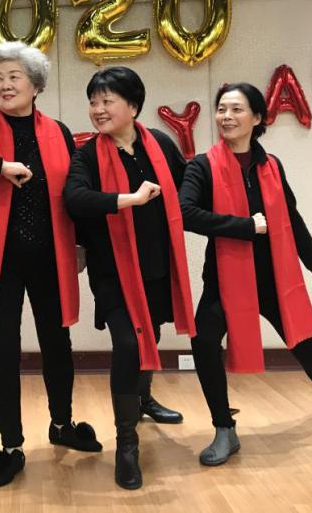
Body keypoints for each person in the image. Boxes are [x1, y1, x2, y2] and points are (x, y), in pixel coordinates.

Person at [0, 41, 101, 489]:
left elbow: (75, 193)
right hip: (1, 260)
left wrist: (80, 243)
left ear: (35, 85)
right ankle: (11, 446)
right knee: (3, 349)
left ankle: (62, 424)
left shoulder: (58, 132)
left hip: (50, 255)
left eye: (14, 77)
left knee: (57, 342)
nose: (4, 84)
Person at [180, 82, 312, 467]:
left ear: (256, 118)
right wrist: (244, 227)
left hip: (273, 275)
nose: (226, 117)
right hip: (225, 278)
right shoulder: (202, 165)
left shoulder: (271, 166)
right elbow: (185, 213)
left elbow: (289, 216)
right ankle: (224, 428)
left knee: (303, 339)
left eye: (236, 109)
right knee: (204, 342)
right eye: (221, 109)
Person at [63, 66, 195, 489]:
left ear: (133, 107)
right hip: (113, 271)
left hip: (157, 263)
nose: (98, 109)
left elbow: (187, 185)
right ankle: (126, 444)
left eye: (107, 101)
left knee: (150, 335)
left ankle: (144, 399)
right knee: (126, 343)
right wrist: (128, 200)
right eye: (93, 102)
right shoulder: (87, 155)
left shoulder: (160, 144)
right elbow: (74, 198)